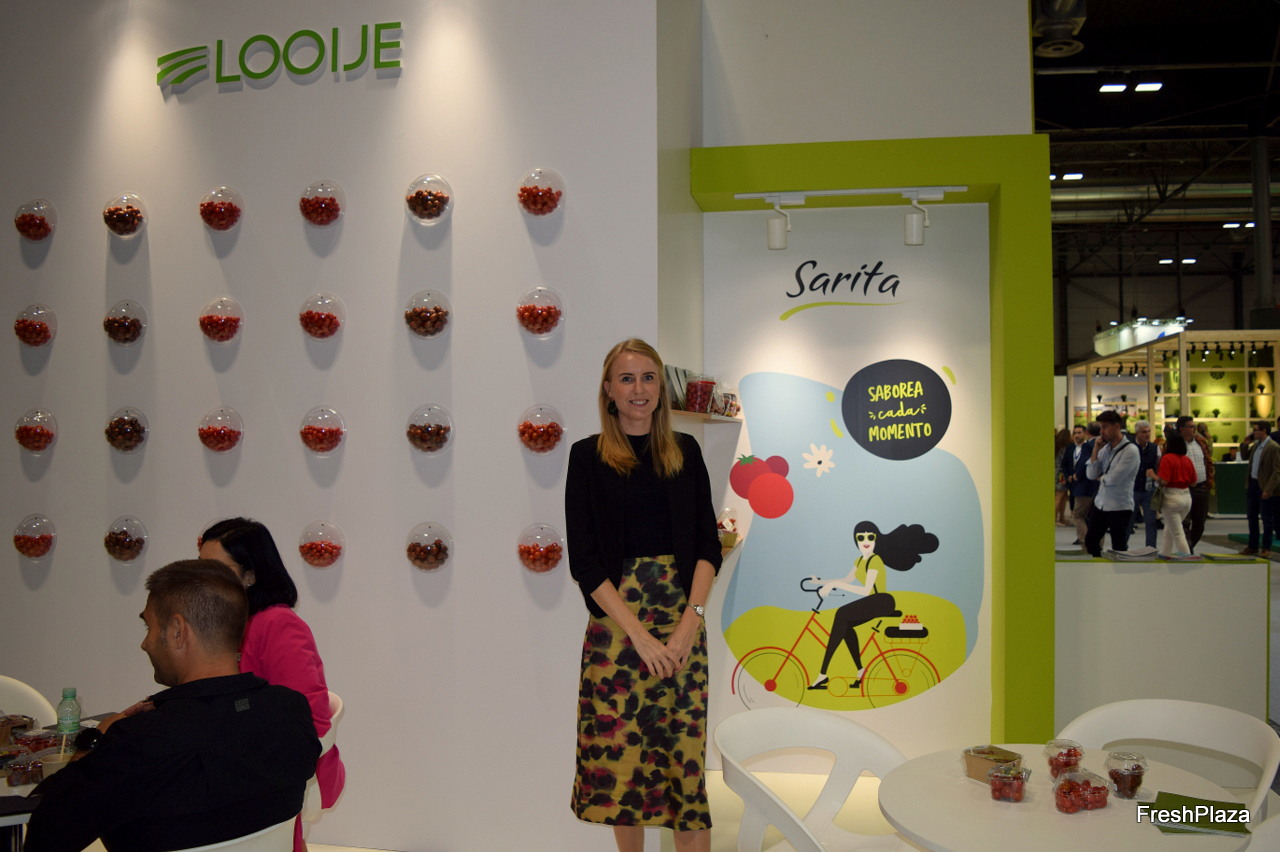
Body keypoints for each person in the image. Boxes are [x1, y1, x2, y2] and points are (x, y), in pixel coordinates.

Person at [25, 560, 319, 852]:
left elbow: (44, 832)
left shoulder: (137, 742)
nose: (145, 643)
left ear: (178, 630)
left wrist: (96, 742)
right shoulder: (291, 713)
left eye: (149, 626)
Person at [565, 338, 721, 852]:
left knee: (684, 766)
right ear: (609, 390)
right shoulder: (586, 457)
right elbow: (585, 562)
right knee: (621, 766)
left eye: (648, 377)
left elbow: (707, 546)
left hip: (681, 624)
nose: (639, 388)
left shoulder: (686, 452)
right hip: (616, 630)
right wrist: (639, 636)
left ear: (660, 388)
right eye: (627, 378)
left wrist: (689, 624)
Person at [199, 518, 345, 852]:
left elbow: (307, 716)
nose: (202, 580)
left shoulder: (278, 624)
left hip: (273, 770)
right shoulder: (230, 624)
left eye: (215, 570)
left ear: (250, 575)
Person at [806, 521, 937, 689]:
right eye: (861, 538)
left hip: (882, 601)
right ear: (856, 540)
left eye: (870, 537)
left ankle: (822, 674)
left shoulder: (875, 560)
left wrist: (834, 585)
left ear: (876, 539)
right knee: (845, 626)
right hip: (873, 602)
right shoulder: (859, 560)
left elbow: (866, 590)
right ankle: (860, 670)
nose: (865, 541)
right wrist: (820, 582)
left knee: (840, 614)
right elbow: (846, 579)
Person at [1084, 410, 1139, 556]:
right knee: (1091, 541)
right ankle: (1097, 565)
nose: (1102, 432)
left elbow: (1114, 479)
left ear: (1116, 426)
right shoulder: (1105, 449)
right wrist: (1096, 449)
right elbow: (1091, 474)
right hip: (1101, 503)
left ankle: (1118, 570)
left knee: (1119, 547)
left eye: (1105, 427)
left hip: (1120, 506)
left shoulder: (1130, 451)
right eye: (1100, 428)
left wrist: (1101, 478)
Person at [1149, 434, 1197, 558]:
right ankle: (1165, 552)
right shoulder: (1187, 460)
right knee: (1170, 527)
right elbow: (1193, 482)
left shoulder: (1167, 459)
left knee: (1177, 532)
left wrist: (1153, 475)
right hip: (1187, 497)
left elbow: (1164, 481)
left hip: (1171, 497)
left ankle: (1186, 556)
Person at [1240, 421, 1280, 556]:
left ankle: (1266, 547)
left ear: (1264, 431)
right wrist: (1245, 444)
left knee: (1267, 518)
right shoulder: (1256, 446)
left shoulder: (1273, 447)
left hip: (1265, 486)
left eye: (1256, 430)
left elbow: (1277, 471)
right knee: (1252, 517)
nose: (1254, 432)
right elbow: (1244, 456)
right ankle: (1253, 546)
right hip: (1253, 484)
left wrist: (1268, 489)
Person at [1176, 415, 1215, 553]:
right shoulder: (1175, 444)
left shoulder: (1200, 442)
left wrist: (1210, 479)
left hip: (1201, 486)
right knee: (1184, 522)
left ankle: (1188, 548)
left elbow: (1208, 460)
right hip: (1183, 488)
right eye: (1191, 427)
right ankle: (1187, 552)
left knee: (1200, 523)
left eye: (1194, 426)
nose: (1194, 429)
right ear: (1182, 429)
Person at [1128, 420, 1161, 549]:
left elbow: (1158, 465)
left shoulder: (1154, 448)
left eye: (1148, 431)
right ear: (1137, 433)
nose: (1147, 434)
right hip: (1132, 488)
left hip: (1149, 489)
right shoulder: (1129, 447)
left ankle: (1151, 548)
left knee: (1151, 521)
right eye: (1144, 432)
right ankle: (1121, 547)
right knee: (1128, 521)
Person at [1067, 423, 1100, 546]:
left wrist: (1077, 475)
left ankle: (1085, 539)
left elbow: (1084, 462)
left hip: (1085, 485)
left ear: (1087, 433)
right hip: (1100, 484)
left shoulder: (1087, 446)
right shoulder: (1105, 444)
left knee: (1078, 513)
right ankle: (1098, 541)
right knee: (1096, 516)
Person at [1054, 427, 1072, 525]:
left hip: (1055, 473)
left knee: (1063, 496)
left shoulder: (1056, 447)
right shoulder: (1065, 449)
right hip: (1061, 475)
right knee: (1059, 496)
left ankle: (1061, 518)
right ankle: (1054, 519)